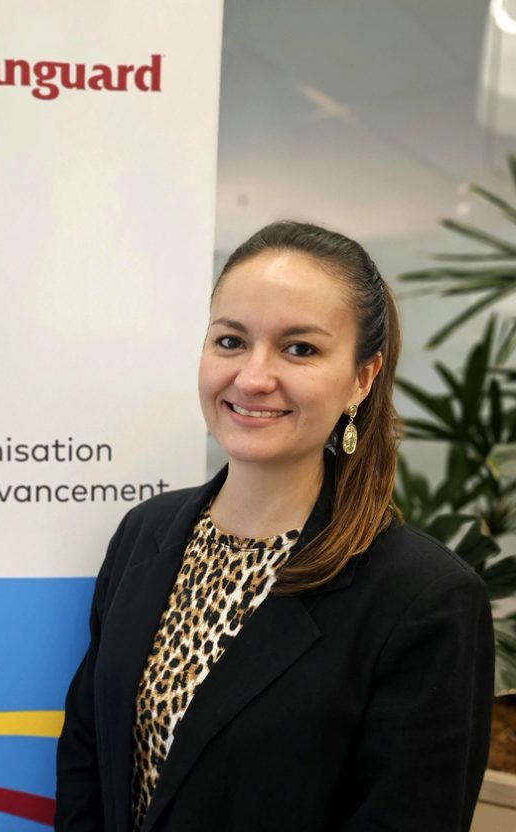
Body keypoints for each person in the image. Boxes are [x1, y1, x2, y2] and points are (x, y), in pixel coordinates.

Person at [54, 221, 495, 832]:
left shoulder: (425, 600)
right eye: (231, 341)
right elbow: (88, 757)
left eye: (300, 349)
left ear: (361, 379)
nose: (254, 377)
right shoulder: (144, 533)